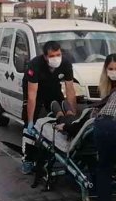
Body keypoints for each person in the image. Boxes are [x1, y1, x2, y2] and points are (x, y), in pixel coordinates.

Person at [20, 41, 77, 175]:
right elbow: (32, 96)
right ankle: (27, 159)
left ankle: (57, 149)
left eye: (58, 54)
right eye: (52, 56)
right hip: (34, 90)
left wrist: (72, 115)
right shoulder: (35, 65)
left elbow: (70, 90)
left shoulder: (66, 64)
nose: (56, 58)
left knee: (61, 115)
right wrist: (29, 121)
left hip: (53, 88)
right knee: (30, 125)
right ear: (45, 57)